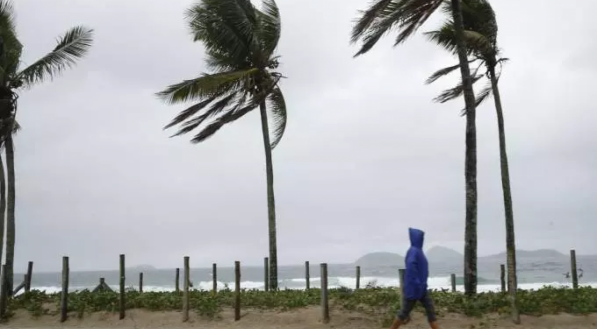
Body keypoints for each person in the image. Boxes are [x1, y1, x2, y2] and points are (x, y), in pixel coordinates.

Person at [389, 228, 439, 329]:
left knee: (430, 310)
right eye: (421, 236)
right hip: (414, 289)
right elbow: (411, 268)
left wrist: (422, 284)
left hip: (421, 288)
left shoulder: (418, 251)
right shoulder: (414, 251)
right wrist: (417, 284)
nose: (422, 238)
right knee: (404, 313)